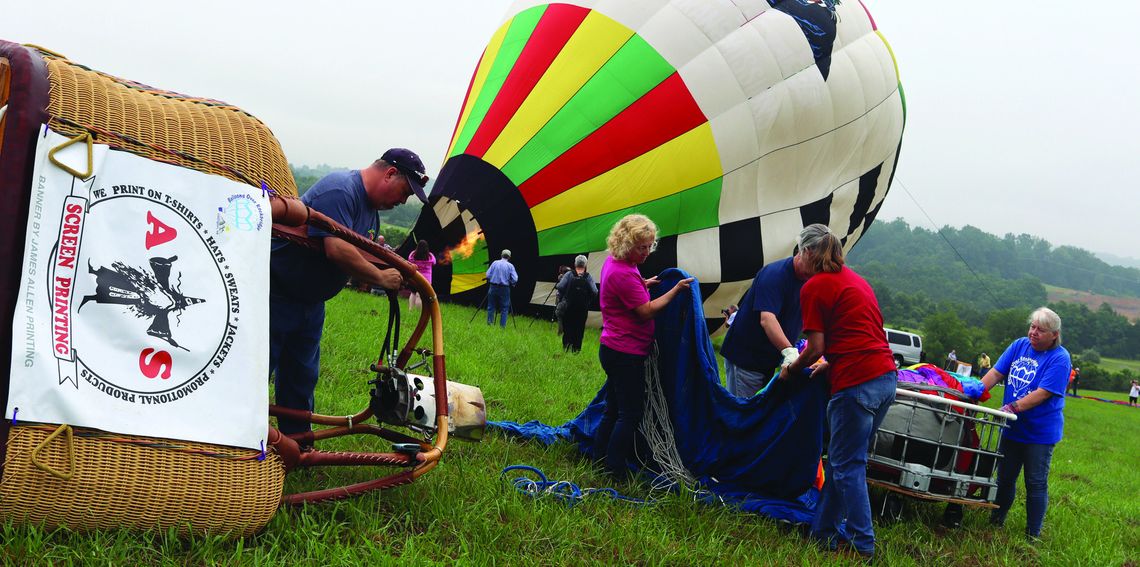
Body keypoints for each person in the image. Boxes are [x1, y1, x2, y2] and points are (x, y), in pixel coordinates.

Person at [269, 148, 429, 436]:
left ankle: (298, 444)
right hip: (276, 295)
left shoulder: (371, 211)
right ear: (390, 173)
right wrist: (381, 277)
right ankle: (232, 443)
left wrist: (401, 269)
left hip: (309, 304)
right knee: (255, 373)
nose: (403, 201)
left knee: (300, 380)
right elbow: (337, 248)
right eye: (405, 191)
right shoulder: (341, 190)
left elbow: (365, 251)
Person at [777, 224, 896, 562]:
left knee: (847, 466)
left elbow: (815, 347)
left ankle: (863, 545)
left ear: (809, 252)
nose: (798, 257)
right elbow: (858, 336)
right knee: (846, 463)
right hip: (886, 378)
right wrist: (828, 364)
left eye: (800, 251)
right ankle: (823, 533)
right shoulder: (856, 280)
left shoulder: (814, 286)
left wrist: (792, 369)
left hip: (856, 384)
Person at [594, 214, 692, 481]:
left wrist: (643, 284)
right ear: (627, 243)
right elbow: (645, 312)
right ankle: (614, 469)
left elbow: (624, 291)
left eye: (650, 246)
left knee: (613, 408)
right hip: (625, 353)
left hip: (612, 347)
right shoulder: (624, 272)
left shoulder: (616, 262)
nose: (647, 252)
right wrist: (675, 292)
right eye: (641, 247)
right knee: (630, 413)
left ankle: (598, 455)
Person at [980, 307, 1070, 541]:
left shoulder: (1060, 358)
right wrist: (975, 394)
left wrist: (1013, 407)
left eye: (1041, 330)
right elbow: (996, 373)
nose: (1034, 333)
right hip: (1012, 427)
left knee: (1035, 482)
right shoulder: (1019, 345)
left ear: (1054, 334)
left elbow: (1043, 393)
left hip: (1039, 433)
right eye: (1032, 327)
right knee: (1005, 478)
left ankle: (1032, 534)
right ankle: (996, 522)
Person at [719, 253, 811, 397]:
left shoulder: (808, 278)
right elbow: (767, 319)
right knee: (743, 414)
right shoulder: (775, 275)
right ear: (804, 251)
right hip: (748, 360)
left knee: (758, 413)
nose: (816, 269)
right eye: (815, 262)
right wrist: (789, 351)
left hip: (767, 360)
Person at [555, 254, 597, 353]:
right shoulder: (588, 277)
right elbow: (595, 291)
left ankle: (566, 348)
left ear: (575, 264)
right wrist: (588, 300)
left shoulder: (569, 275)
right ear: (585, 265)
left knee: (568, 326)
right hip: (582, 308)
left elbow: (560, 287)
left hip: (568, 306)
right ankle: (576, 350)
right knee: (579, 328)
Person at [485, 249, 518, 327]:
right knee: (504, 308)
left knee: (491, 306)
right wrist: (511, 282)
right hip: (504, 289)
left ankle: (490, 324)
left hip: (493, 287)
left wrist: (492, 278)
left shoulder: (495, 263)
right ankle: (502, 327)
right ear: (509, 257)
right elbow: (515, 279)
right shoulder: (510, 266)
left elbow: (487, 275)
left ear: (501, 255)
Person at [407, 239, 436, 310]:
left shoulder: (413, 255)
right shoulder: (430, 256)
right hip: (426, 279)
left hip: (415, 277)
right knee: (419, 295)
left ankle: (410, 309)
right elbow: (434, 262)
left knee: (413, 293)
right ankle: (418, 311)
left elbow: (409, 260)